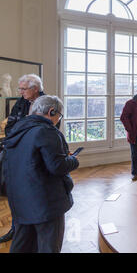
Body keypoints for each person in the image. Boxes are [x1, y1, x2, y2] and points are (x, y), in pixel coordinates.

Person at [2, 95, 79, 253]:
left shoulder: (18, 130)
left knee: (22, 244)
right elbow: (57, 166)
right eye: (59, 115)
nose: (59, 120)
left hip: (21, 198)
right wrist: (73, 160)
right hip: (46, 202)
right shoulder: (47, 131)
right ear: (52, 111)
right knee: (48, 246)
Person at [0, 74, 55, 244]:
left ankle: (35, 231)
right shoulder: (21, 102)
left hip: (39, 156)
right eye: (20, 88)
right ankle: (17, 229)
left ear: (35, 89)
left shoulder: (49, 103)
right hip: (19, 154)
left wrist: (25, 138)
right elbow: (10, 126)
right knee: (16, 193)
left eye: (24, 89)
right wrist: (22, 140)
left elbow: (51, 128)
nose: (20, 92)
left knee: (36, 194)